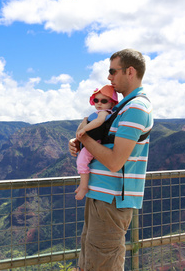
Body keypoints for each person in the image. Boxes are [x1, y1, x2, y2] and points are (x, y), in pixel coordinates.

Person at [69, 49, 153, 271]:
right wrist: (81, 142)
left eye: (113, 72)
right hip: (100, 196)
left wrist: (84, 137)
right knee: (89, 263)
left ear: (130, 71)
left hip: (112, 200)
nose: (109, 78)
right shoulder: (120, 108)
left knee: (102, 264)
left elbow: (115, 161)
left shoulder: (136, 108)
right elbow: (103, 144)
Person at [75, 85, 118, 201]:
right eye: (96, 100)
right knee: (82, 161)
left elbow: (99, 122)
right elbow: (78, 132)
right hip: (90, 142)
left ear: (112, 104)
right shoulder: (97, 113)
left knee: (82, 162)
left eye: (104, 101)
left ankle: (83, 186)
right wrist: (84, 121)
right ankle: (82, 185)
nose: (99, 103)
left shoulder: (104, 113)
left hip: (94, 142)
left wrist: (84, 129)